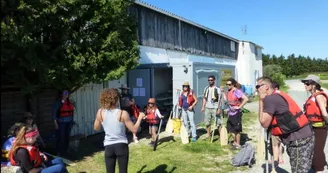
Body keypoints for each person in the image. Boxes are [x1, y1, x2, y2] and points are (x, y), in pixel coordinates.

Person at [257, 76, 314, 173]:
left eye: (258, 86)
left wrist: (261, 101)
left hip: (298, 140)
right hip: (306, 136)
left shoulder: (270, 99)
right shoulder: (278, 94)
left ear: (266, 86)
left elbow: (264, 123)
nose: (257, 89)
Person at [93, 88, 145, 173]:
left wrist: (99, 117)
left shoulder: (100, 112)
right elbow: (134, 129)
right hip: (121, 146)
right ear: (116, 99)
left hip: (108, 147)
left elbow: (96, 128)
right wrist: (139, 118)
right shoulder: (122, 113)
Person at [302, 75, 328, 173]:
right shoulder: (312, 96)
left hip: (320, 127)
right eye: (304, 83)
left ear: (314, 85)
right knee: (313, 148)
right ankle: (317, 165)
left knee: (317, 150)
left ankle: (319, 170)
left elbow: (324, 113)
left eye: (307, 83)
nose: (305, 85)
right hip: (312, 127)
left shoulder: (319, 96)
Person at [225, 78, 248, 149]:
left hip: (236, 113)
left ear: (233, 84)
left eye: (229, 84)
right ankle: (235, 142)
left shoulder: (236, 91)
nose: (228, 86)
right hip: (230, 112)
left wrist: (239, 107)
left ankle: (237, 144)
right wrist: (223, 93)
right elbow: (227, 100)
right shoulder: (229, 91)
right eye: (227, 84)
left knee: (237, 129)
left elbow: (246, 99)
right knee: (230, 128)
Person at [52, 90, 75, 156]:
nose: (66, 94)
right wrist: (55, 123)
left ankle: (66, 150)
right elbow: (54, 114)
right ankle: (58, 151)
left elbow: (72, 112)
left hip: (69, 122)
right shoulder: (58, 102)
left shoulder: (69, 102)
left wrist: (72, 121)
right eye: (64, 93)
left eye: (67, 93)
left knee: (67, 137)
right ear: (61, 94)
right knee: (60, 137)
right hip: (61, 123)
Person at [270, 82, 284, 165]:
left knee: (275, 143)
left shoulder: (273, 97)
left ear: (275, 89)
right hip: (283, 123)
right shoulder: (282, 96)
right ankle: (281, 158)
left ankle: (275, 160)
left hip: (275, 123)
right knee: (280, 142)